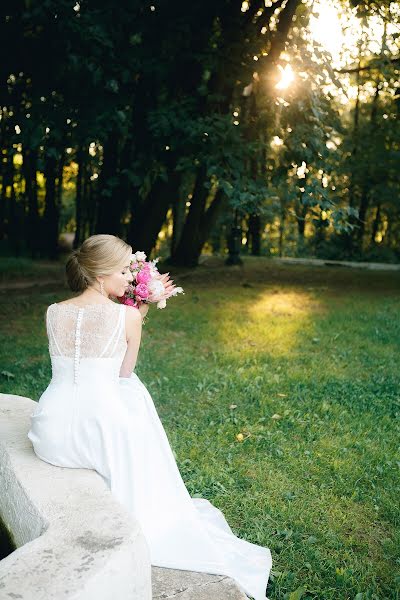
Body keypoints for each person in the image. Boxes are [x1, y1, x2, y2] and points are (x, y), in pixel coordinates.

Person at [27, 234, 272, 600]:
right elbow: (123, 374)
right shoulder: (127, 316)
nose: (129, 278)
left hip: (50, 433)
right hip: (98, 435)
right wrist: (136, 317)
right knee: (134, 400)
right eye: (124, 270)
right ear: (101, 274)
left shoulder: (53, 311)